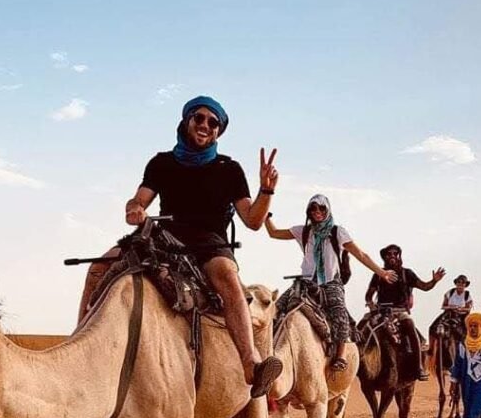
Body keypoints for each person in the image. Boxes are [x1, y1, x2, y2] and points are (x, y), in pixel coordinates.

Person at [76, 95, 283, 397]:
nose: (204, 125)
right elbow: (137, 201)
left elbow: (253, 220)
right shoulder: (162, 163)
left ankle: (250, 362)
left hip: (209, 242)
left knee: (227, 275)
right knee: (99, 267)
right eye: (198, 118)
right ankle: (80, 342)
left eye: (213, 123)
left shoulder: (229, 169)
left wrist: (266, 190)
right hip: (162, 237)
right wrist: (135, 209)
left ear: (218, 131)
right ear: (187, 121)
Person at [265, 195, 396, 371]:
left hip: (330, 282)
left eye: (321, 209)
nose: (317, 212)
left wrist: (382, 273)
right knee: (275, 309)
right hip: (305, 282)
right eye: (313, 209)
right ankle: (268, 351)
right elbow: (274, 233)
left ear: (327, 210)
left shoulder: (337, 232)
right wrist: (266, 216)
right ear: (308, 211)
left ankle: (341, 355)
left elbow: (361, 254)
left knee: (339, 313)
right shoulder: (303, 231)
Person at [364, 244, 445, 380]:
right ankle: (357, 365)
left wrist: (434, 281)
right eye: (389, 254)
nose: (392, 256)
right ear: (385, 257)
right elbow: (369, 295)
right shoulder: (378, 274)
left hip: (400, 311)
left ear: (399, 256)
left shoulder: (407, 274)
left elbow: (425, 286)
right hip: (381, 311)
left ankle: (418, 366)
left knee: (410, 327)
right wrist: (371, 305)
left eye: (395, 254)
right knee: (361, 328)